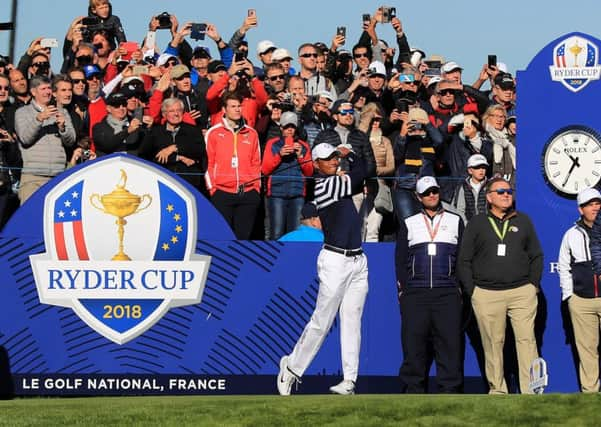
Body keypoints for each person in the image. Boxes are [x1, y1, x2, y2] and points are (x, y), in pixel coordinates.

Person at [277, 142, 368, 396]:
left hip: (358, 260)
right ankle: (292, 368)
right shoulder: (324, 185)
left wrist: (350, 155)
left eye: (335, 157)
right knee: (322, 321)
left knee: (352, 321)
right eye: (328, 159)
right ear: (316, 164)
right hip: (334, 261)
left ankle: (349, 381)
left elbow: (360, 175)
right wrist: (354, 152)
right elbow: (362, 173)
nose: (334, 161)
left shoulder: (337, 180)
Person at [457, 176, 543, 394]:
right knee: (493, 344)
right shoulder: (477, 223)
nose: (507, 195)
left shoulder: (523, 220)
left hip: (521, 292)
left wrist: (532, 286)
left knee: (527, 341)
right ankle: (498, 391)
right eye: (501, 191)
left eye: (509, 191)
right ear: (489, 198)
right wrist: (473, 291)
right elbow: (464, 259)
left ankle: (531, 391)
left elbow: (536, 255)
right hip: (486, 294)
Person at [395, 176, 464, 393]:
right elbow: (401, 260)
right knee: (414, 344)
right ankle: (413, 389)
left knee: (449, 344)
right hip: (416, 293)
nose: (432, 195)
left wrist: (458, 287)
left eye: (434, 191)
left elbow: (462, 257)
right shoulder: (410, 222)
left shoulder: (455, 220)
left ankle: (450, 389)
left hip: (447, 293)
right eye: (426, 193)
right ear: (418, 197)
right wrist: (405, 289)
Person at [559, 188, 601, 393]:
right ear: (580, 209)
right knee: (587, 350)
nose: (596, 207)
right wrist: (570, 297)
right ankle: (591, 393)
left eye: (598, 203)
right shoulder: (571, 234)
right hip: (582, 301)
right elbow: (564, 266)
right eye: (590, 204)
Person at [205, 93, 261, 240]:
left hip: (247, 191)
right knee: (223, 237)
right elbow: (208, 163)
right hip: (222, 192)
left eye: (239, 106)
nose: (237, 110)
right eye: (233, 106)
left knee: (243, 238)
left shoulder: (251, 133)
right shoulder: (214, 133)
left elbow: (256, 163)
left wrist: (256, 188)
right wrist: (213, 189)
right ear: (224, 109)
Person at [14, 76, 76, 203]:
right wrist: (39, 119)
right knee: (31, 218)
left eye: (49, 88)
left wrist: (62, 128)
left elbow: (71, 141)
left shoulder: (61, 112)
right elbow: (25, 139)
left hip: (58, 176)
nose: (48, 92)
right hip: (33, 178)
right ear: (33, 92)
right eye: (43, 88)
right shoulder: (22, 112)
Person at [261, 112, 313, 240]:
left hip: (297, 194)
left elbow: (309, 173)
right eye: (286, 126)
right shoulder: (272, 144)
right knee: (276, 233)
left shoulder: (304, 145)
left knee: (295, 234)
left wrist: (300, 156)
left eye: (293, 126)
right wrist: (279, 155)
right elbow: (265, 169)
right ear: (281, 128)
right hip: (276, 194)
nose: (290, 129)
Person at [452, 154, 490, 223]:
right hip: (468, 227)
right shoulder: (462, 187)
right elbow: (460, 210)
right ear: (470, 170)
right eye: (477, 167)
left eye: (483, 167)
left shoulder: (490, 185)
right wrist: (467, 226)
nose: (481, 170)